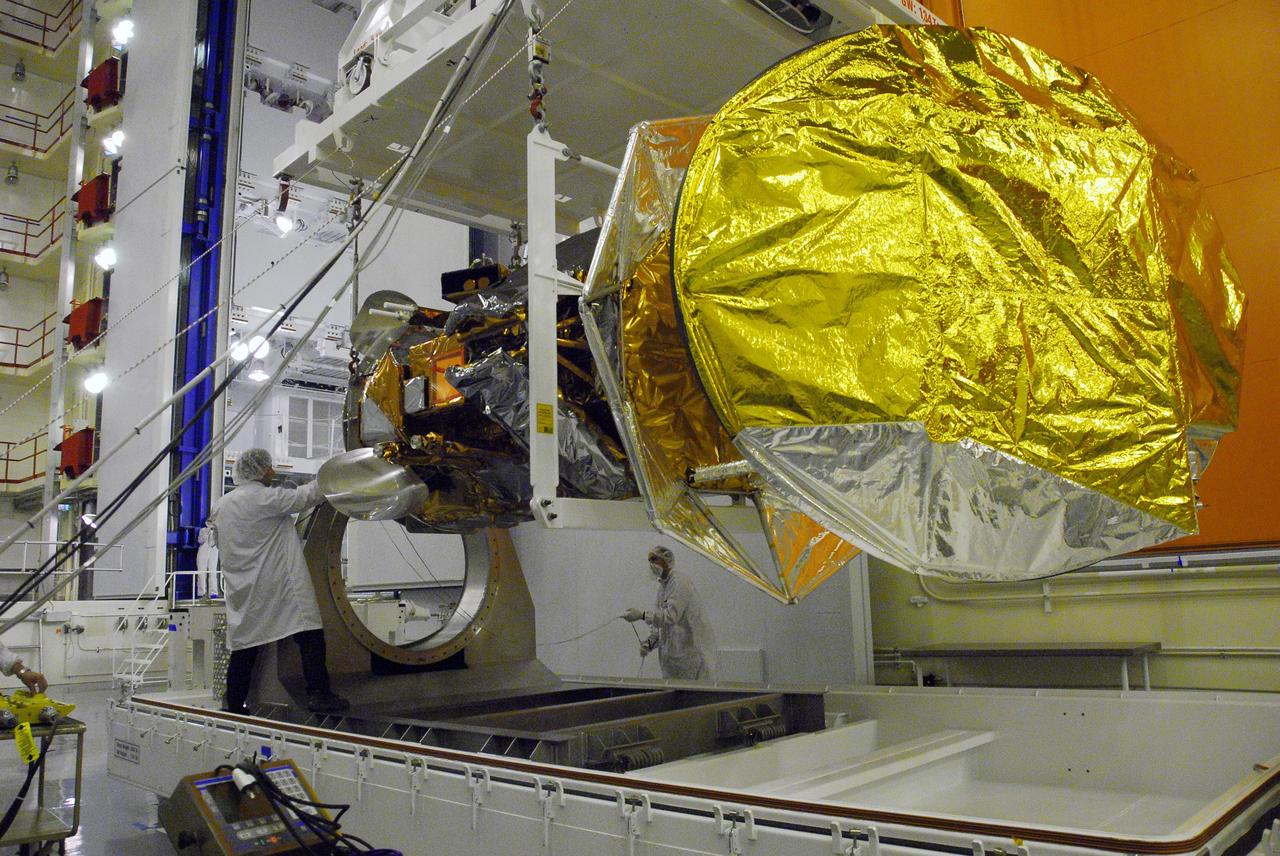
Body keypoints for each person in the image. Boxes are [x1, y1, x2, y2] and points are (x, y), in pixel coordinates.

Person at [209, 448, 349, 715]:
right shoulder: (264, 498)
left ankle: (234, 704)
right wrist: (334, 472)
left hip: (243, 587)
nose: (272, 472)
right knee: (309, 634)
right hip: (278, 583)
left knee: (245, 645)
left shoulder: (222, 505)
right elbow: (305, 496)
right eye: (269, 468)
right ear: (259, 471)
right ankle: (319, 693)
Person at [622, 546, 715, 680]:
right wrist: (649, 643)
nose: (651, 564)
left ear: (667, 559)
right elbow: (659, 623)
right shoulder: (662, 588)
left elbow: (671, 616)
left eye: (654, 559)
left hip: (688, 659)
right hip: (670, 662)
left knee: (688, 692)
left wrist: (642, 615)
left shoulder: (680, 582)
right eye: (649, 561)